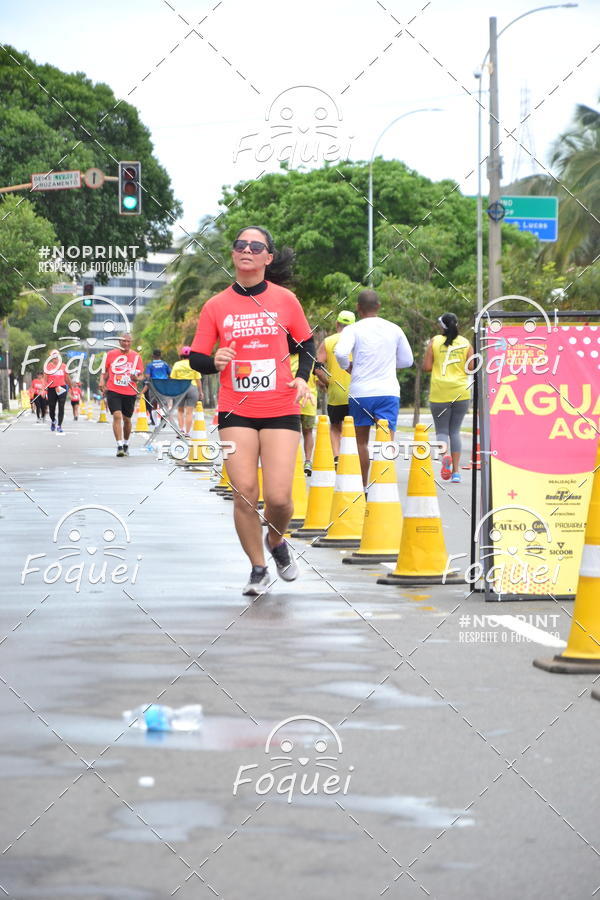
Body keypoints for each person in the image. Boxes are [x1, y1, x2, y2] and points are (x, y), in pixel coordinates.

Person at [189, 226, 314, 597]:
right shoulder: (216, 305)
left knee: (279, 498)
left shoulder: (285, 300)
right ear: (233, 254)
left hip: (279, 406)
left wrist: (303, 378)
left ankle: (276, 541)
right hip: (235, 409)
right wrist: (214, 360)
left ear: (267, 258)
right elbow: (196, 356)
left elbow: (306, 344)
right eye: (240, 244)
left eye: (255, 246)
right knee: (244, 492)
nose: (246, 249)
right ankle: (258, 567)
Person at [335, 290, 413, 488]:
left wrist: (348, 367)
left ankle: (362, 485)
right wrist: (386, 363)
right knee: (385, 440)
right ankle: (382, 486)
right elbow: (407, 360)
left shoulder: (352, 329)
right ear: (378, 306)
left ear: (358, 308)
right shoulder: (394, 328)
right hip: (388, 392)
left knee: (360, 442)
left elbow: (341, 352)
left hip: (361, 393)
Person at [422, 312, 474, 483]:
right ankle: (457, 473)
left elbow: (427, 366)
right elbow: (470, 368)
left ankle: (445, 458)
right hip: (460, 392)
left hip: (439, 393)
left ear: (441, 326)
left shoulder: (434, 342)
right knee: (455, 432)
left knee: (442, 431)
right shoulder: (466, 343)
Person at [315, 310, 355, 463]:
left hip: (336, 392)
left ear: (337, 324)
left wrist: (327, 382)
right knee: (354, 427)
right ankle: (351, 457)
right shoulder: (358, 340)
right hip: (357, 393)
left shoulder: (328, 341)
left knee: (335, 427)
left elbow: (317, 368)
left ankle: (337, 457)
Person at [99, 333, 143, 457]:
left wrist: (137, 378)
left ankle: (126, 443)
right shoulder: (111, 355)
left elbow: (141, 375)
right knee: (117, 416)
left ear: (131, 342)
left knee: (127, 419)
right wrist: (102, 381)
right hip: (114, 390)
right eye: (124, 341)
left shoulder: (136, 357)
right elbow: (104, 372)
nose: (126, 344)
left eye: (129, 341)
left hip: (130, 391)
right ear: (119, 342)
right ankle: (119, 446)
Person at [289, 338, 318, 476]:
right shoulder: (310, 359)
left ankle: (293, 461)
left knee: (293, 433)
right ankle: (307, 460)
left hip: (291, 401)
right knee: (308, 432)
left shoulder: (284, 359)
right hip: (309, 401)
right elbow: (319, 379)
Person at [170, 346, 203, 436]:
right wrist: (200, 392)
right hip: (192, 388)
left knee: (180, 411)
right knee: (189, 412)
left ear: (181, 355)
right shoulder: (194, 364)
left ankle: (181, 430)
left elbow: (173, 379)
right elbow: (198, 379)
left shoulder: (177, 364)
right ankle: (187, 433)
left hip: (180, 388)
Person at [43, 350, 73, 433]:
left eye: (57, 357)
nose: (55, 359)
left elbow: (67, 378)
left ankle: (59, 425)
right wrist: (44, 390)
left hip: (62, 388)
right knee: (51, 407)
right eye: (54, 357)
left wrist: (71, 388)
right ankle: (53, 420)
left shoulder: (63, 366)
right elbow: (45, 379)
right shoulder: (48, 366)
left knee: (61, 406)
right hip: (51, 388)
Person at [144, 349, 171, 425]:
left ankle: (156, 424)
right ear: (160, 355)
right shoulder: (165, 364)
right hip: (163, 386)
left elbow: (147, 376)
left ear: (153, 355)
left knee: (154, 404)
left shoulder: (150, 365)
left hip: (153, 386)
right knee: (164, 404)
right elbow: (170, 374)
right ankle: (163, 415)